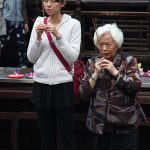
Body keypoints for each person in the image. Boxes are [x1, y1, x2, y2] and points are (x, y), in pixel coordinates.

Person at [79, 23, 146, 150]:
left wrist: (115, 72)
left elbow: (135, 86)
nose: (104, 48)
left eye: (108, 44)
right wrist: (96, 72)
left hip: (125, 122)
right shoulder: (92, 62)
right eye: (100, 44)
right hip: (99, 122)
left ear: (117, 44)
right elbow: (83, 91)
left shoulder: (128, 61)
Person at [27, 0, 81, 150]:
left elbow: (73, 57)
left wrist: (58, 35)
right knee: (46, 137)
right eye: (45, 1)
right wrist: (38, 37)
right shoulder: (39, 21)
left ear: (62, 3)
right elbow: (31, 58)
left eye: (53, 1)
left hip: (63, 85)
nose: (48, 5)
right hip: (41, 85)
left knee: (67, 136)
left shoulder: (73, 24)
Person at [1, 0, 29, 68]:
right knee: (2, 43)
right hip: (7, 21)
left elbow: (24, 8)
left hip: (20, 22)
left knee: (22, 45)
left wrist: (25, 22)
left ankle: (23, 64)